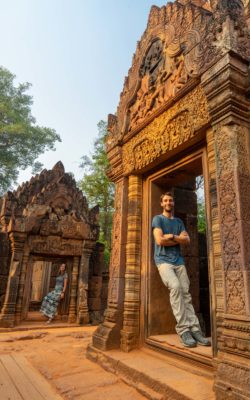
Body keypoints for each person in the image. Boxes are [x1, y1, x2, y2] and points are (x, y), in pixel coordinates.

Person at [152, 192, 210, 348]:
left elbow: (187, 240)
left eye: (170, 200)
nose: (168, 202)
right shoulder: (158, 219)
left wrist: (171, 236)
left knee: (186, 293)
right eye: (165, 200)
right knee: (176, 287)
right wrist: (176, 238)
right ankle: (183, 329)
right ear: (161, 203)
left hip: (178, 261)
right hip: (163, 261)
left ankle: (195, 330)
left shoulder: (178, 221)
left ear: (173, 203)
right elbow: (159, 240)